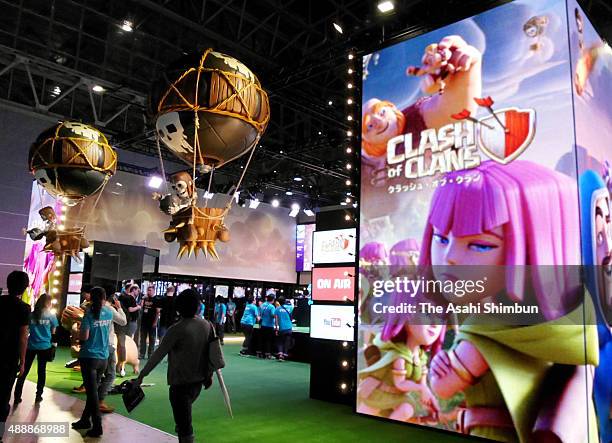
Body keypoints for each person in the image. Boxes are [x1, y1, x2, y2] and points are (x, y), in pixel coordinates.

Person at [136, 289, 212, 443]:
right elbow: (211, 354)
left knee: (185, 427)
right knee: (183, 421)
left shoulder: (177, 329)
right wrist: (209, 375)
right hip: (197, 383)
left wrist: (142, 375)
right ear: (198, 306)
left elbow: (158, 355)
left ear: (179, 307)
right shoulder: (207, 325)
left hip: (180, 384)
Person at [72, 287, 113, 438]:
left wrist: (76, 331)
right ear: (104, 297)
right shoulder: (108, 312)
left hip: (89, 357)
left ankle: (97, 426)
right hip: (103, 357)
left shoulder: (88, 315)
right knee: (92, 392)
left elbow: (84, 337)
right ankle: (84, 420)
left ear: (91, 298)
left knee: (92, 393)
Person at [0, 271, 30, 438]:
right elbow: (22, 337)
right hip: (9, 359)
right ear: (24, 288)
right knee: (4, 397)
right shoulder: (23, 308)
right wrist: (23, 361)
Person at [13, 294, 58, 404]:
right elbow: (54, 331)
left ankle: (17, 396)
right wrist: (53, 345)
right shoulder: (51, 316)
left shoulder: (31, 315)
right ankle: (38, 395)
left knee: (24, 370)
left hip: (31, 345)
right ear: (48, 303)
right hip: (45, 346)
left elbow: (26, 330)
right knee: (41, 371)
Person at [98, 286, 127, 414]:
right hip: (107, 346)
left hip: (93, 346)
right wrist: (119, 307)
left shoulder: (90, 309)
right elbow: (123, 321)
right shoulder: (109, 310)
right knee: (110, 374)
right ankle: (99, 401)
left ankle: (94, 402)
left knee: (97, 376)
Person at [117, 284, 141, 377]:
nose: (138, 292)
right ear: (133, 290)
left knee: (125, 342)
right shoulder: (129, 298)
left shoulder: (123, 298)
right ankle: (122, 365)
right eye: (137, 290)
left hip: (126, 323)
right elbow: (130, 309)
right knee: (127, 343)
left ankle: (122, 365)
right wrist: (138, 307)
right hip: (129, 323)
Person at [139, 286, 160, 359]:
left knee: (152, 339)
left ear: (154, 291)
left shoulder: (156, 299)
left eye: (150, 290)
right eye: (148, 290)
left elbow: (158, 312)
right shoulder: (145, 299)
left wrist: (155, 322)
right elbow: (141, 307)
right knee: (142, 339)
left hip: (152, 323)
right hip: (144, 322)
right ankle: (142, 353)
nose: (148, 292)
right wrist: (142, 299)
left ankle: (150, 354)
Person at [274, 296, 294, 361]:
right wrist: (291, 302)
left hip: (281, 328)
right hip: (289, 328)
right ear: (285, 301)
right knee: (287, 341)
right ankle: (285, 354)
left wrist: (276, 328)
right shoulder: (289, 307)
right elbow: (293, 306)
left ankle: (280, 355)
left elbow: (276, 320)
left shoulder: (277, 309)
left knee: (280, 341)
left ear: (278, 302)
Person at [259, 294, 276, 359]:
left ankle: (261, 353)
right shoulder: (271, 307)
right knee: (268, 340)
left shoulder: (262, 305)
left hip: (262, 325)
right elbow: (272, 315)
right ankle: (268, 354)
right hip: (269, 325)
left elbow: (260, 314)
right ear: (273, 300)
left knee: (262, 340)